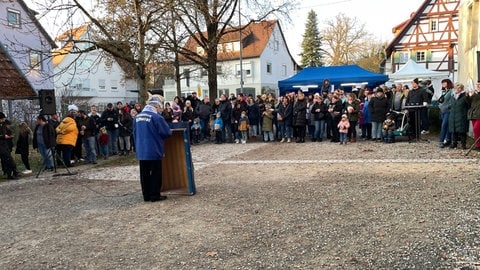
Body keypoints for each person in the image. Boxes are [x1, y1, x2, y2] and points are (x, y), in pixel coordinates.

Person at [133, 96, 172, 202]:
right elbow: (166, 133)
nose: (160, 109)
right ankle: (155, 195)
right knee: (155, 173)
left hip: (142, 150)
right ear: (156, 106)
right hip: (154, 149)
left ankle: (146, 195)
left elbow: (134, 133)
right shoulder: (157, 118)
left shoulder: (137, 117)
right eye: (159, 107)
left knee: (144, 173)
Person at [449, 83, 469, 149]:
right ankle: (454, 143)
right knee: (453, 131)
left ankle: (463, 144)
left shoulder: (464, 96)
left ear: (462, 89)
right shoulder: (453, 96)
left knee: (462, 131)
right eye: (456, 88)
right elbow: (451, 105)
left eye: (459, 88)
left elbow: (468, 105)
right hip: (453, 115)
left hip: (461, 116)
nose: (457, 89)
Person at [0, 112, 19, 179]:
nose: (3, 120)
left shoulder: (3, 125)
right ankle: (14, 171)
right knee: (8, 159)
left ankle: (10, 174)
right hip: (1, 146)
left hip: (5, 145)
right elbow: (2, 135)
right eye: (2, 119)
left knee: (8, 159)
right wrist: (3, 136)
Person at [438, 79, 454, 148]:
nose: (443, 84)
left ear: (448, 83)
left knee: (444, 125)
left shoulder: (451, 91)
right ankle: (447, 139)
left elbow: (452, 101)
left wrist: (448, 106)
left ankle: (441, 141)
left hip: (448, 111)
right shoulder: (444, 91)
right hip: (442, 111)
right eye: (442, 83)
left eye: (444, 82)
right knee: (446, 126)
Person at [466, 81, 480, 151]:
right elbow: (469, 102)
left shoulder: (477, 93)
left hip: (479, 113)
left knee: (476, 128)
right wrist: (467, 96)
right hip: (473, 113)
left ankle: (478, 144)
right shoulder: (475, 92)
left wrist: (477, 93)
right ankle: (477, 145)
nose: (477, 85)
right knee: (476, 130)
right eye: (477, 84)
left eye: (479, 84)